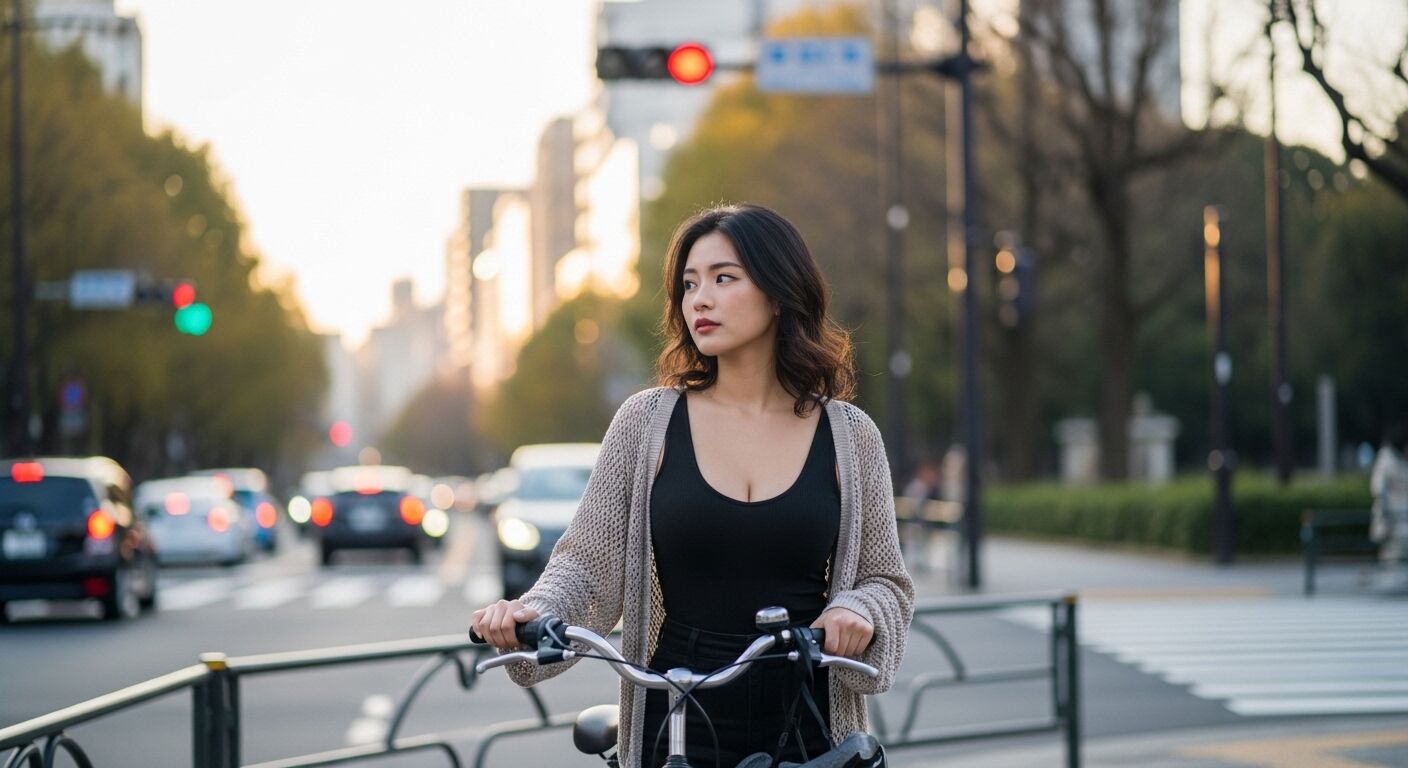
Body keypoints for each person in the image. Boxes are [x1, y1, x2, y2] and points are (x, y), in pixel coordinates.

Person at [471, 203, 914, 767]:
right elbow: (585, 565)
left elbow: (886, 581)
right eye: (689, 284)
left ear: (780, 292)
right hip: (677, 707)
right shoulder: (645, 422)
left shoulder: (850, 434)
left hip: (808, 709)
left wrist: (860, 608)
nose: (699, 299)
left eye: (723, 278)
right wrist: (534, 613)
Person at [1370, 427, 1408, 571]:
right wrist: (1385, 512)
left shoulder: (1401, 460)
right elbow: (1379, 488)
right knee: (1391, 557)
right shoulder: (1386, 458)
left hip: (1402, 517)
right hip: (1391, 518)